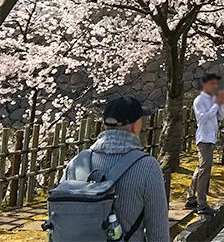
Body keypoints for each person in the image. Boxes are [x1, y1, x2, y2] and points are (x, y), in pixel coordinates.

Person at [61, 96, 169, 242]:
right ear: (136, 125)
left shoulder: (77, 162)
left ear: (105, 125)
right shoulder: (147, 166)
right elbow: (157, 230)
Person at [186, 73, 224, 215]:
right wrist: (216, 105)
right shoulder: (199, 100)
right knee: (205, 172)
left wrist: (221, 104)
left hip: (211, 138)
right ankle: (201, 204)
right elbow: (202, 118)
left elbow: (220, 116)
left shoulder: (212, 100)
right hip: (203, 139)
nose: (215, 87)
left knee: (200, 169)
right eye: (212, 84)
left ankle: (191, 198)